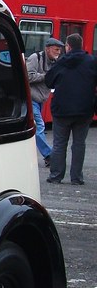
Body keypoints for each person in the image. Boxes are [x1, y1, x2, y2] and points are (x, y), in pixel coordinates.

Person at [44, 33, 95, 185]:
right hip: (84, 110)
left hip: (62, 109)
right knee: (79, 144)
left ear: (68, 46)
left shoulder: (61, 63)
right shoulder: (91, 61)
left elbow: (49, 82)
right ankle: (76, 178)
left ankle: (56, 176)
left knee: (60, 143)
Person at [25, 36, 62, 165]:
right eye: (56, 49)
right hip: (31, 98)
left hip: (41, 100)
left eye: (59, 50)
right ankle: (49, 155)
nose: (58, 52)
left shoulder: (56, 62)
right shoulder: (36, 58)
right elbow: (28, 76)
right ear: (47, 49)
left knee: (32, 128)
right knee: (39, 126)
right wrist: (46, 76)